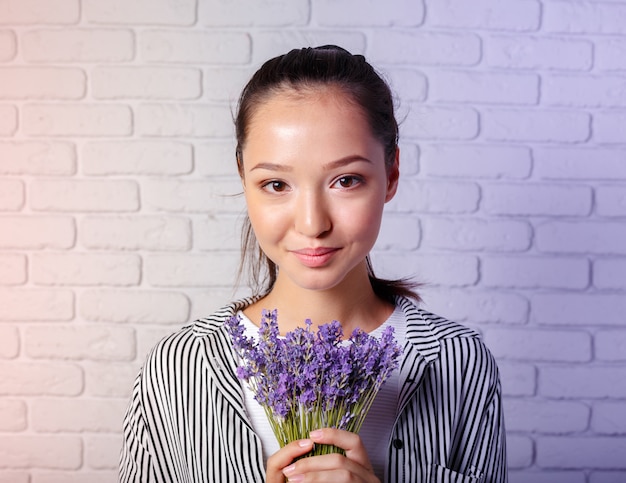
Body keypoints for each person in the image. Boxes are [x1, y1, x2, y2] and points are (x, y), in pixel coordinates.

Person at [119, 45, 507, 483]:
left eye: (346, 180)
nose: (312, 223)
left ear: (391, 174)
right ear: (243, 179)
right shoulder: (178, 368)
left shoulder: (458, 362)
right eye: (276, 184)